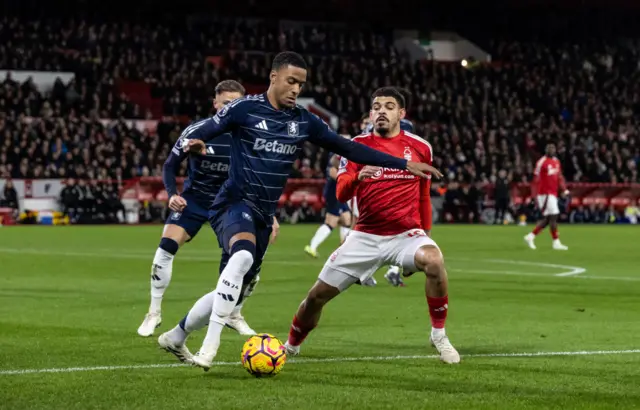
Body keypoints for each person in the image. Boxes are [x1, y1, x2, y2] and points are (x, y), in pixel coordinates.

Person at [161, 51, 441, 370]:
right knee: (242, 258)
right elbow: (203, 131)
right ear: (274, 78)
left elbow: (348, 147)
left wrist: (403, 163)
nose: (296, 89)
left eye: (301, 84)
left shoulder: (303, 121)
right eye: (291, 81)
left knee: (232, 286)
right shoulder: (244, 108)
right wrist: (193, 144)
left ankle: (177, 335)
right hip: (232, 203)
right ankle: (209, 348)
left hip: (265, 213)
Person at [283, 87, 459, 364]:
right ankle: (291, 346)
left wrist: (424, 235)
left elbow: (424, 196)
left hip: (405, 235)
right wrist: (357, 178)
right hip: (364, 236)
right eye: (376, 106)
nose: (381, 111)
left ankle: (439, 335)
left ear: (401, 113)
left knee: (434, 261)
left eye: (389, 106)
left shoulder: (421, 147)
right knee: (316, 297)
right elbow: (340, 194)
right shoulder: (355, 146)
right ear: (370, 113)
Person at [138, 80, 270, 342]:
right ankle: (153, 312)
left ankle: (234, 313)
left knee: (245, 262)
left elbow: (260, 175)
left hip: (231, 203)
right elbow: (169, 166)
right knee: (165, 248)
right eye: (226, 103)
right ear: (215, 104)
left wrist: (268, 212)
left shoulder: (251, 135)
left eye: (236, 103)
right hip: (196, 199)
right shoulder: (198, 130)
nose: (230, 108)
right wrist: (173, 194)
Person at [304, 148, 352, 258]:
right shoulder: (335, 158)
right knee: (331, 221)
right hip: (334, 194)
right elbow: (333, 173)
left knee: (347, 218)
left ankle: (344, 249)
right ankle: (312, 247)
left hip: (338, 193)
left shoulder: (336, 157)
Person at [524, 143, 569, 250]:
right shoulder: (541, 162)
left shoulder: (556, 162)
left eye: (553, 148)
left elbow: (559, 176)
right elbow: (535, 179)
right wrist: (534, 195)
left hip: (553, 193)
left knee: (549, 218)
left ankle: (531, 236)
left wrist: (564, 189)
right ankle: (555, 242)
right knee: (553, 216)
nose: (551, 150)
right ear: (546, 150)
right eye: (549, 149)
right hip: (544, 193)